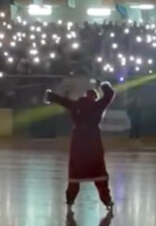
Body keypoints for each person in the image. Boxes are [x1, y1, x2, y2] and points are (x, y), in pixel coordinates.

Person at [46, 82, 116, 212]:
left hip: (78, 142)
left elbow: (62, 101)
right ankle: (107, 200)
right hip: (93, 141)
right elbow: (109, 96)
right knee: (99, 172)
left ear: (85, 95)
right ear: (95, 97)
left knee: (75, 173)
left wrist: (51, 96)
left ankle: (70, 200)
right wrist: (104, 86)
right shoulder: (97, 105)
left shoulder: (75, 105)